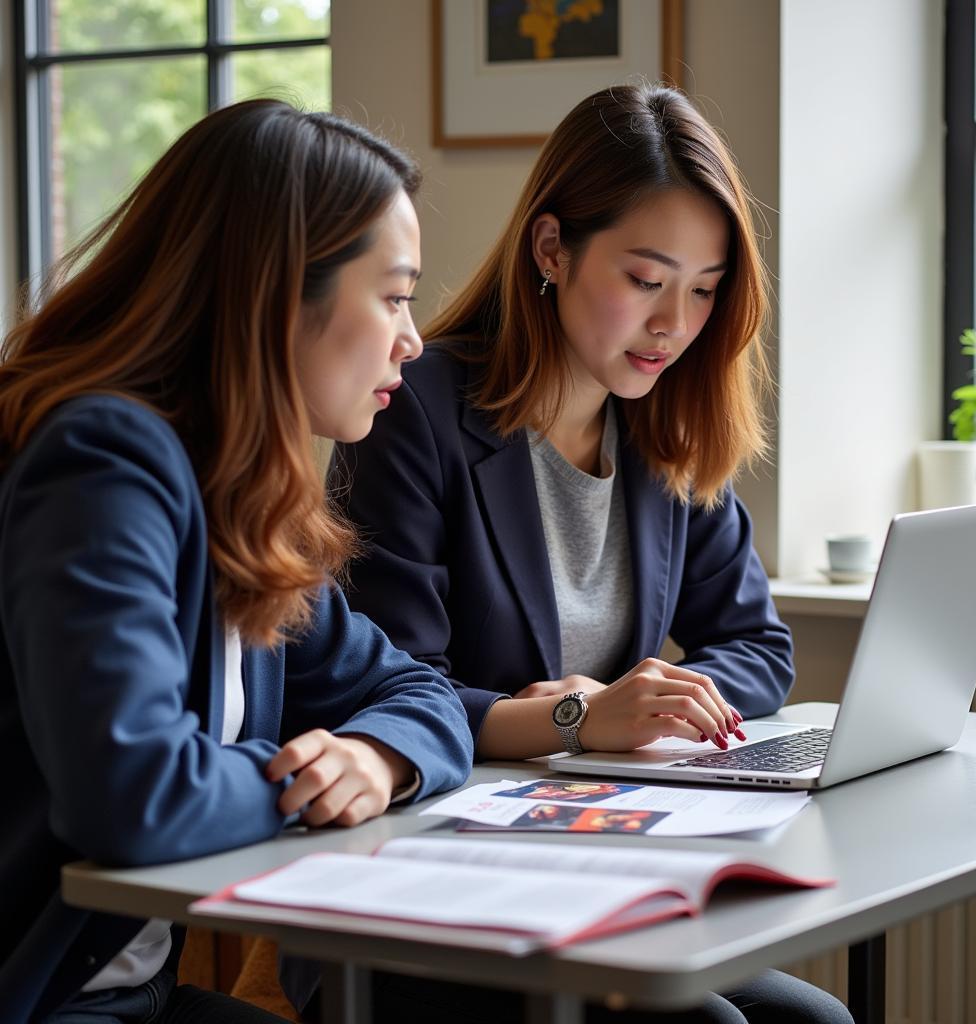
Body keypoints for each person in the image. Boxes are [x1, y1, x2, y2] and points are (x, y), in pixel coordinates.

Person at [326, 83, 852, 1023]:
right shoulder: (414, 411)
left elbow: (758, 648)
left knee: (818, 1019)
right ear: (552, 249)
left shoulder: (665, 425)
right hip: (431, 883)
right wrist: (576, 716)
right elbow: (384, 687)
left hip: (606, 858)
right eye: (646, 281)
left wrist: (655, 701)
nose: (674, 325)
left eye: (703, 290)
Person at [0, 99, 473, 1024]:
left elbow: (423, 695)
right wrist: (310, 788)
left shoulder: (235, 489)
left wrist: (376, 757)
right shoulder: (102, 466)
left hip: (132, 996)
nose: (413, 341)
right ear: (277, 292)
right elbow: (132, 796)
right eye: (395, 296)